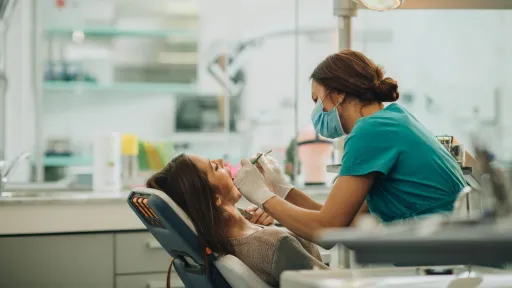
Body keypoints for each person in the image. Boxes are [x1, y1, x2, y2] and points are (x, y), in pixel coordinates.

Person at [233, 49, 467, 242]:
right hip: (454, 252)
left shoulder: (371, 131)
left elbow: (327, 228)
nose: (316, 112)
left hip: (447, 258)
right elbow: (346, 222)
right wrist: (283, 190)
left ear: (339, 94)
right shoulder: (393, 119)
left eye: (317, 100)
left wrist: (262, 195)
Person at [146, 154, 327, 287]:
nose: (220, 161)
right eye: (215, 168)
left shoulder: (223, 241)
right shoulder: (275, 244)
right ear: (215, 199)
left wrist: (273, 214)